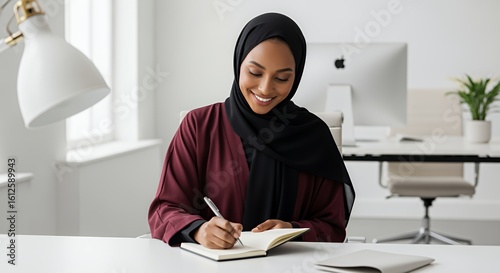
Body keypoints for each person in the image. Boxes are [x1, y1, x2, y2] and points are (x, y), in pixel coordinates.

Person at [148, 12, 355, 249]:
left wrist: (292, 230)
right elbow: (164, 209)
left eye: (282, 78)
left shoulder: (314, 136)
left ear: (296, 77)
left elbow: (332, 227)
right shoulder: (198, 126)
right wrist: (199, 230)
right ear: (238, 64)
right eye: (255, 73)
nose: (265, 88)